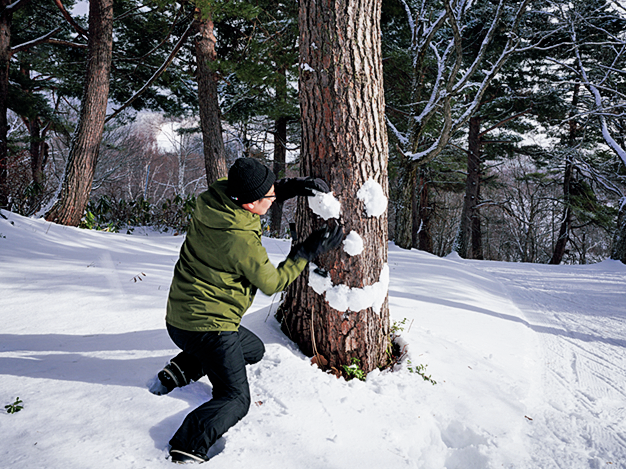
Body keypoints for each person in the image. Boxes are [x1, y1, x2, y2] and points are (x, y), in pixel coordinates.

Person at [149, 157, 344, 464]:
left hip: (180, 320)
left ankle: (181, 370)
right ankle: (188, 444)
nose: (273, 197)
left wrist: (291, 187)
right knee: (236, 399)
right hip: (209, 328)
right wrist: (305, 252)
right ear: (251, 205)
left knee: (252, 349)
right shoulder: (239, 240)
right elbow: (272, 282)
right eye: (269, 196)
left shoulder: (215, 201)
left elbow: (251, 191)